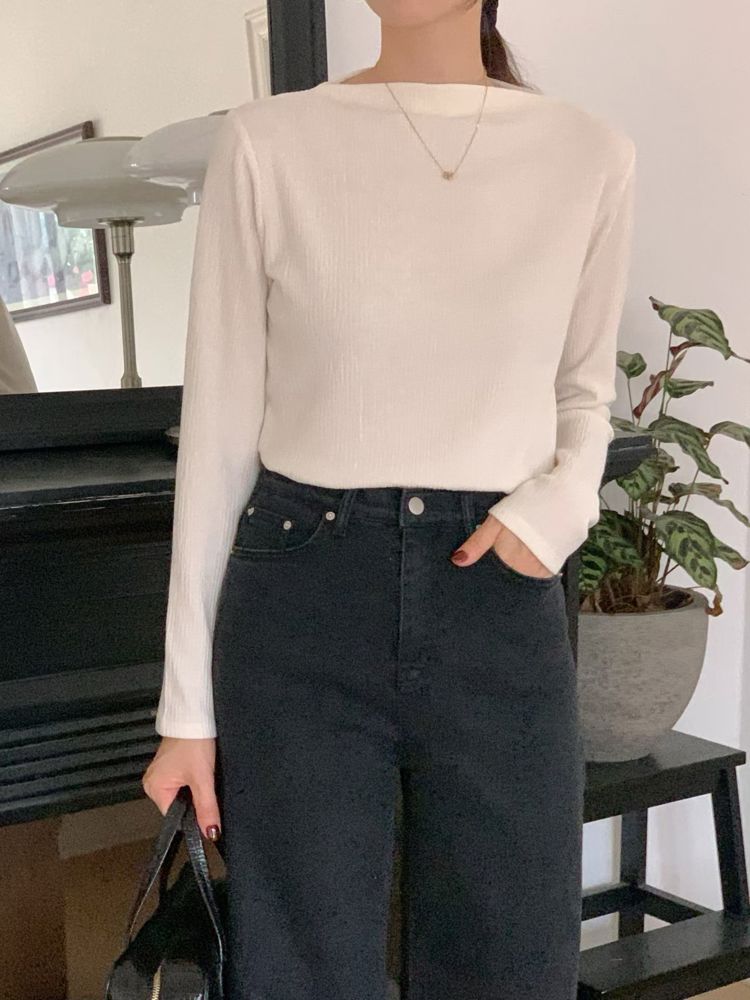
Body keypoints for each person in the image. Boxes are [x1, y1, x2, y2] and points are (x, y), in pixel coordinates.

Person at [142, 1, 637, 996]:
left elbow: (584, 391)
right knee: (301, 968)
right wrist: (185, 710)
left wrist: (555, 513)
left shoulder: (589, 154)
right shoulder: (268, 143)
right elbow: (220, 431)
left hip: (496, 590)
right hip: (302, 591)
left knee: (512, 959)